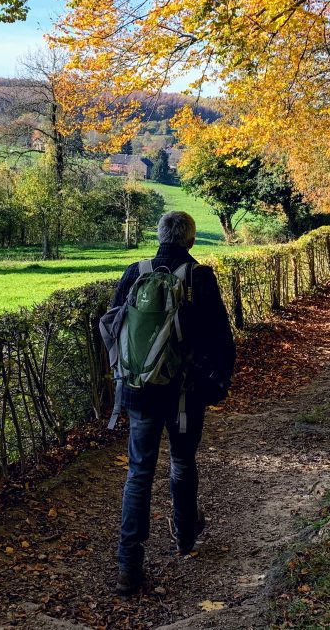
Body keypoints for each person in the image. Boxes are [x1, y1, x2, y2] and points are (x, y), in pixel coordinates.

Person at [108, 211, 236, 596]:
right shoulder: (200, 277)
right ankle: (184, 538)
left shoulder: (135, 272)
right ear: (191, 240)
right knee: (182, 461)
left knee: (139, 472)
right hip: (184, 394)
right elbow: (221, 340)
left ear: (160, 236)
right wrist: (217, 385)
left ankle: (128, 566)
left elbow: (113, 326)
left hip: (139, 391)